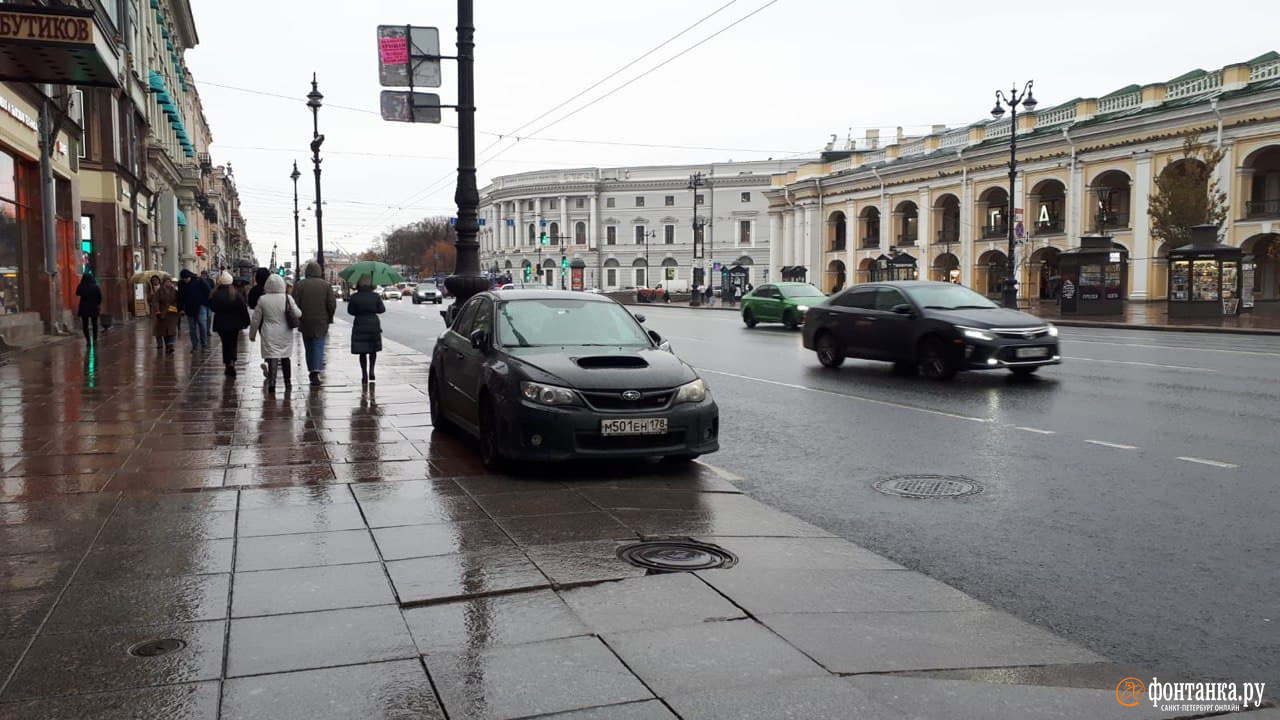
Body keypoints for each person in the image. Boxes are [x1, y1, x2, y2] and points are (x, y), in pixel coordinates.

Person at [249, 274, 301, 393]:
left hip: (268, 331)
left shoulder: (263, 299)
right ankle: (288, 382)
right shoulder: (287, 298)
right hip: (285, 331)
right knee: (285, 356)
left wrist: (252, 334)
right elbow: (298, 313)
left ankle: (272, 383)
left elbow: (256, 319)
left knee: (272, 356)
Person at [291, 260, 337, 386]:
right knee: (318, 345)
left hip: (305, 320)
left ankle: (311, 368)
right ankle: (315, 371)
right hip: (321, 321)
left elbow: (294, 304)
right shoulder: (326, 285)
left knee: (308, 346)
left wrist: (298, 318)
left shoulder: (299, 285)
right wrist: (329, 317)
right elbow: (331, 304)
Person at [347, 274, 385, 385]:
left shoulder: (355, 297)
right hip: (373, 323)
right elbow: (382, 310)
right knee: (373, 349)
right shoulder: (376, 296)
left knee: (362, 351)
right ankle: (372, 370)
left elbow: (350, 311)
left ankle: (364, 374)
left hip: (360, 323)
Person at [210, 271, 250, 376]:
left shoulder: (216, 294)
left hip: (221, 324)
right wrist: (246, 322)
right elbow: (243, 308)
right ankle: (232, 361)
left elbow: (212, 307)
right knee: (233, 343)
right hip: (234, 324)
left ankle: (227, 363)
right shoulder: (235, 294)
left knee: (225, 343)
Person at [177, 269, 210, 351]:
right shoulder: (181, 284)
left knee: (202, 325)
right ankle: (194, 346)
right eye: (183, 279)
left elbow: (208, 291)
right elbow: (180, 297)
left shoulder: (199, 281)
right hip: (189, 308)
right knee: (192, 328)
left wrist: (204, 302)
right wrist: (181, 308)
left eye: (186, 278)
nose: (185, 280)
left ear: (190, 276)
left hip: (200, 306)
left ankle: (204, 344)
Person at [151, 276, 180, 354]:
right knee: (163, 331)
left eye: (169, 282)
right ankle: (167, 345)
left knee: (172, 330)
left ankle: (170, 346)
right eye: (166, 282)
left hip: (172, 313)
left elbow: (179, 300)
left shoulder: (175, 291)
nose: (168, 283)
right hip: (162, 313)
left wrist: (179, 308)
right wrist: (157, 311)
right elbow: (155, 301)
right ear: (163, 283)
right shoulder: (159, 291)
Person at [75, 271, 102, 346]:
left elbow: (77, 293)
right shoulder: (96, 287)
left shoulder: (82, 286)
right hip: (94, 308)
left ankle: (88, 340)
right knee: (94, 325)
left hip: (84, 308)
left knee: (85, 325)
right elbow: (100, 298)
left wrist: (81, 285)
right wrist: (97, 304)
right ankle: (95, 339)